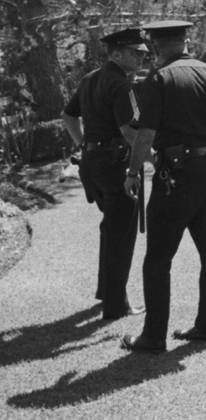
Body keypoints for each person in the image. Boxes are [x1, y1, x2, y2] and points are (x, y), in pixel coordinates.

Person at [119, 20, 206, 353]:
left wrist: (132, 171)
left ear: (156, 46)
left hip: (176, 175)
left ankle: (153, 337)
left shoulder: (159, 79)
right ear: (185, 41)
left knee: (158, 258)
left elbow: (146, 134)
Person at [61, 27, 149, 320]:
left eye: (143, 53)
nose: (141, 57)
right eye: (135, 53)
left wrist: (83, 144)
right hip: (114, 165)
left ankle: (107, 291)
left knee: (111, 229)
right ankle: (116, 304)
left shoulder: (91, 78)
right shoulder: (121, 84)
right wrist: (154, 159)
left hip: (92, 163)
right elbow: (130, 132)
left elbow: (68, 116)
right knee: (120, 235)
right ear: (116, 54)